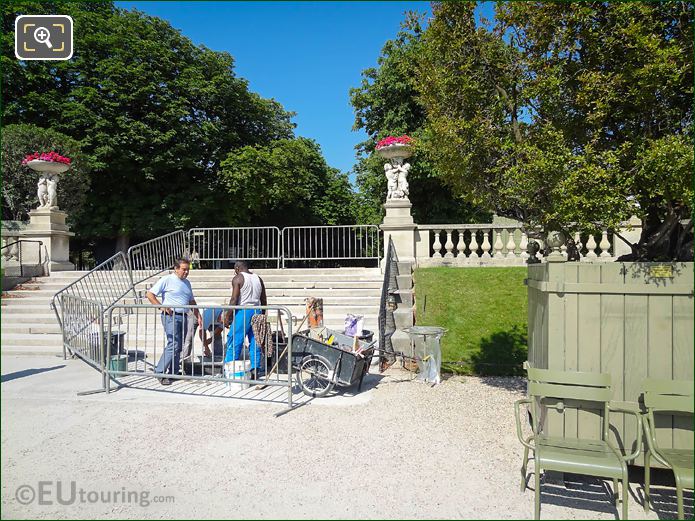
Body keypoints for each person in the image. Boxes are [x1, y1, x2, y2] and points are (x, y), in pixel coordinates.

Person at [146, 258, 202, 385]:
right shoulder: (167, 279)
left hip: (183, 316)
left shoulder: (187, 283)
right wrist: (161, 306)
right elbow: (150, 294)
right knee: (174, 344)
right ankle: (160, 372)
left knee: (179, 345)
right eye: (184, 269)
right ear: (176, 269)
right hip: (171, 316)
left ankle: (174, 372)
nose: (186, 272)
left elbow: (192, 301)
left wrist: (198, 316)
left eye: (188, 269)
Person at [224, 261, 267, 379]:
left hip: (243, 311)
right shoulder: (258, 278)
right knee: (255, 342)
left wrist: (228, 316)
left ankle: (229, 370)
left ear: (237, 268)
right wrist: (262, 314)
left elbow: (234, 299)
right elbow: (263, 299)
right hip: (257, 311)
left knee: (235, 340)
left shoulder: (238, 278)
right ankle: (255, 370)